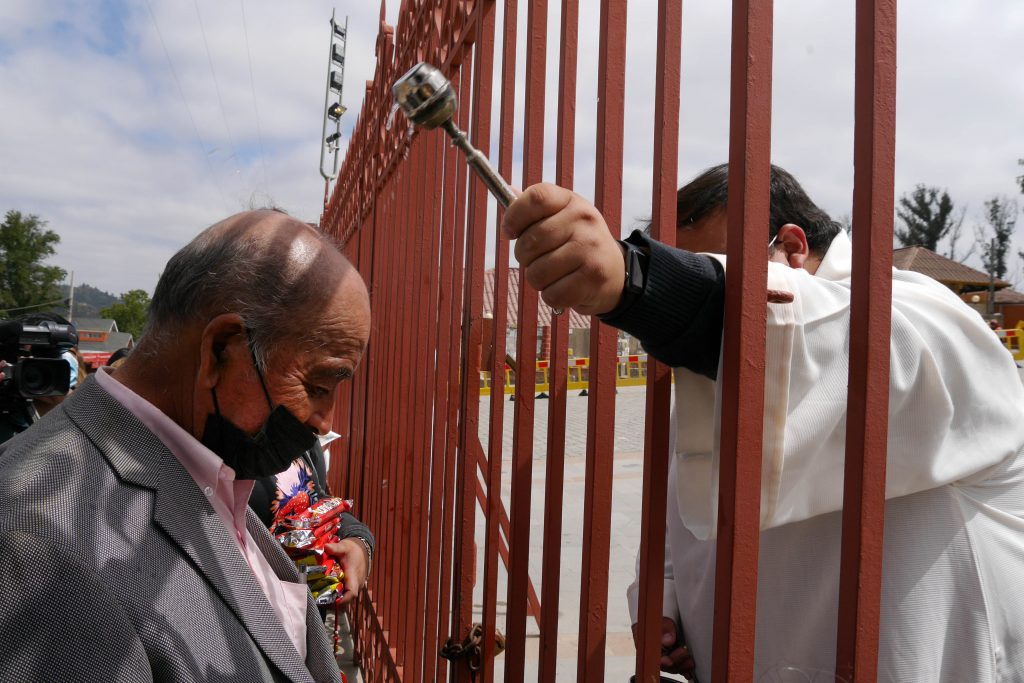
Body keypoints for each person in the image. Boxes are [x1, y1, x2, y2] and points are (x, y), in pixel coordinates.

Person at [500, 164, 1024, 681]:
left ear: (793, 248)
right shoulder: (726, 367)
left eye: (712, 264)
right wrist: (663, 605)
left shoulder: (928, 317)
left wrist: (642, 283)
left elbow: (847, 344)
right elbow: (685, 502)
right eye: (688, 265)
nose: (703, 279)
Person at [0, 209, 371, 683]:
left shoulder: (210, 466)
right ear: (221, 349)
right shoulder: (38, 543)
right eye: (319, 384)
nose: (325, 421)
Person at [248, 439, 375, 606]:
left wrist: (358, 540)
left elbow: (317, 498)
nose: (324, 428)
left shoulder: (303, 437)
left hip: (303, 615)